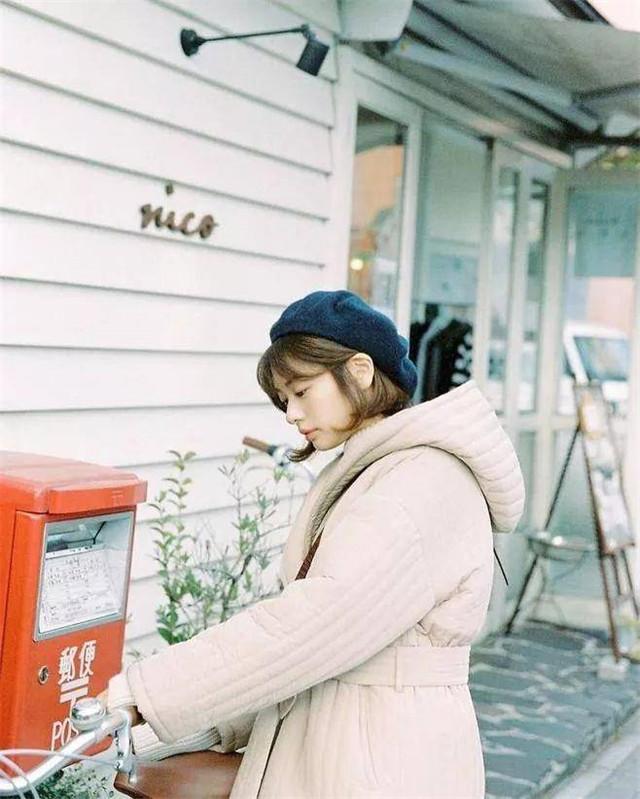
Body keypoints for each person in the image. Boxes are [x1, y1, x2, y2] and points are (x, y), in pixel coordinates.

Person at [106, 289, 525, 798]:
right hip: (352, 743)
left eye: (302, 391)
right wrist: (157, 727)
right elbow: (310, 649)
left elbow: (309, 624)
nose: (290, 413)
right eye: (284, 399)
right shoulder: (374, 471)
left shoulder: (423, 479)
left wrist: (146, 693)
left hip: (379, 760)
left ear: (361, 371)